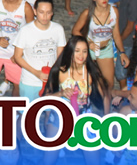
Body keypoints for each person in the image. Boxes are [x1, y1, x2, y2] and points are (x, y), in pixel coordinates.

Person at [42, 35, 108, 165]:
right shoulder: (60, 72)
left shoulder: (91, 72)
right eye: (77, 51)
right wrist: (61, 93)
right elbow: (44, 99)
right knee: (48, 159)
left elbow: (105, 96)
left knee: (94, 160)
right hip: (61, 115)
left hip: (85, 117)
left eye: (84, 51)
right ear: (70, 51)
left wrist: (106, 119)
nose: (81, 55)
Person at [72, 0, 130, 96]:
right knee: (83, 81)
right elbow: (75, 30)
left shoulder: (114, 11)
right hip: (89, 49)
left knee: (109, 84)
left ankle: (104, 103)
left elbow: (116, 33)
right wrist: (88, 43)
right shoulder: (87, 13)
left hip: (105, 49)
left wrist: (122, 52)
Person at [12, 0, 66, 100]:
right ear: (35, 11)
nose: (45, 16)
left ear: (52, 12)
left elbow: (60, 55)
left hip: (51, 81)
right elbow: (17, 57)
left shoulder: (58, 29)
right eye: (41, 12)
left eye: (48, 12)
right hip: (30, 81)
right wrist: (36, 73)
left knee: (49, 107)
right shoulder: (25, 31)